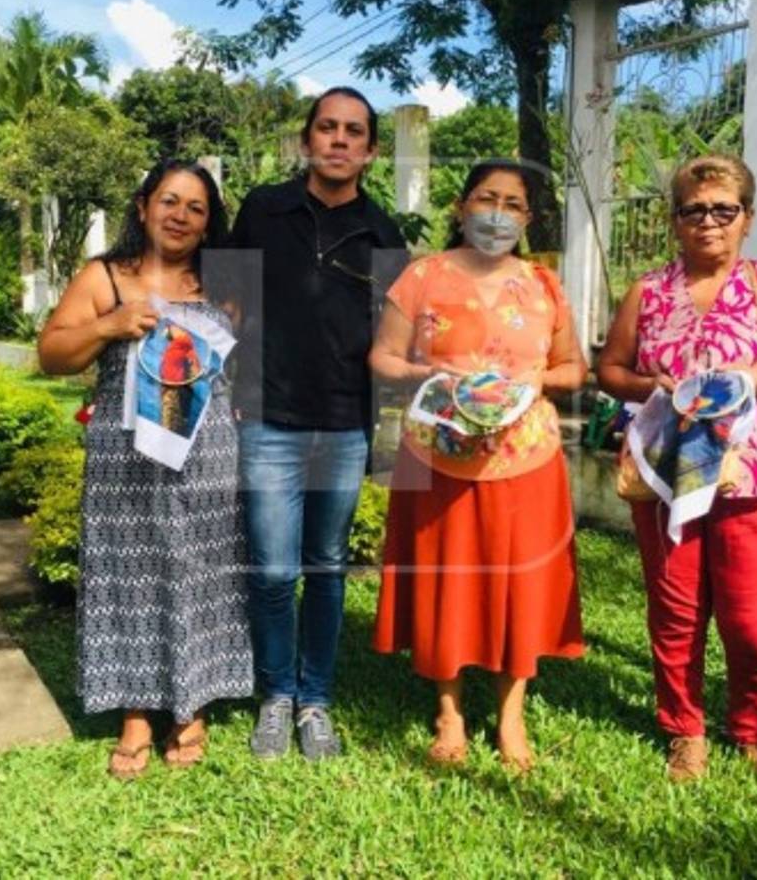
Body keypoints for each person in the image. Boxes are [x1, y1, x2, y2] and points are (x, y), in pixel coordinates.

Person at [597, 153, 757, 782]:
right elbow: (609, 370)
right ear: (674, 220)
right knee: (675, 610)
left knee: (754, 621)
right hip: (668, 471)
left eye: (724, 210)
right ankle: (685, 730)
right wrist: (649, 383)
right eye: (693, 210)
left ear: (747, 218)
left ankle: (749, 728)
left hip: (753, 472)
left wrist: (752, 379)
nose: (709, 221)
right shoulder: (648, 291)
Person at [370, 160, 589, 771]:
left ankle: (511, 713)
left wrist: (537, 380)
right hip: (438, 455)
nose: (498, 213)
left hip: (526, 459)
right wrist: (427, 372)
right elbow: (382, 358)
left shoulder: (544, 285)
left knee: (518, 583)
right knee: (447, 580)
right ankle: (450, 710)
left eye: (513, 204)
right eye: (486, 199)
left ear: (528, 217)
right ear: (461, 207)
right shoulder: (423, 276)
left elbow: (574, 368)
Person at [37, 160, 252, 778]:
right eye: (170, 201)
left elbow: (245, 364)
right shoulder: (104, 276)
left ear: (209, 224)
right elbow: (51, 354)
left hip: (207, 450)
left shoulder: (223, 286)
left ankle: (192, 706)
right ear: (143, 206)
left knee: (203, 572)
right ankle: (136, 715)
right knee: (128, 573)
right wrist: (109, 325)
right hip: (125, 451)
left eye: (196, 208)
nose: (180, 215)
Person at [229, 87, 408, 760]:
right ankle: (277, 695)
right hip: (267, 418)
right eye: (327, 127)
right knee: (275, 571)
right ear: (306, 140)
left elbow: (397, 338)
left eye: (353, 131)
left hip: (343, 424)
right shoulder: (263, 210)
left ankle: (316, 701)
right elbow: (226, 301)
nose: (338, 140)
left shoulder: (383, 234)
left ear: (370, 150)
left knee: (327, 567)